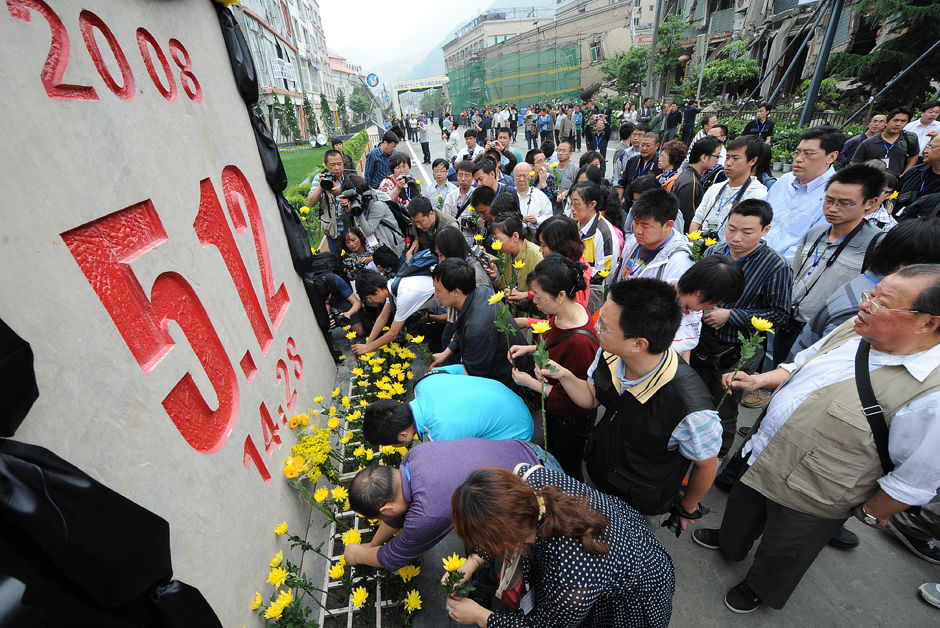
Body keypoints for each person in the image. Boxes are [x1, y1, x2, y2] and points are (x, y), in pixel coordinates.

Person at [693, 264, 940, 613]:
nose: (865, 305)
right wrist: (761, 380)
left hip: (820, 490)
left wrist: (870, 512)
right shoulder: (854, 331)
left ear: (927, 322)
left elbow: (916, 478)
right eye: (870, 294)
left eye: (882, 303)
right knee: (741, 510)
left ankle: (759, 587)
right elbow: (803, 363)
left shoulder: (932, 394)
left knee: (787, 549)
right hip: (767, 451)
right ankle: (731, 542)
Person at [546, 278, 721, 527]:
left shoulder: (691, 409)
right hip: (601, 471)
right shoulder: (609, 354)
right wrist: (563, 375)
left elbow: (706, 464)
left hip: (641, 500)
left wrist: (688, 506)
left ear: (639, 343)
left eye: (604, 326)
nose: (595, 327)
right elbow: (591, 397)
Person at [445, 465, 675, 627]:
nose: (480, 546)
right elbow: (506, 522)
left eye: (484, 543)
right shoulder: (529, 486)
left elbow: (544, 625)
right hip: (620, 539)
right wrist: (472, 562)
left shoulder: (570, 578)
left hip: (631, 596)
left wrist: (481, 616)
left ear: (506, 540)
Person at [344, 438, 542, 570]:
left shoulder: (426, 514)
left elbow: (394, 557)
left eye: (380, 517)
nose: (382, 521)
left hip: (540, 501)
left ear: (387, 509)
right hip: (528, 450)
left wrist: (358, 555)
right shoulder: (414, 456)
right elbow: (397, 515)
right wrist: (372, 544)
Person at [691, 200, 793, 455]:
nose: (736, 238)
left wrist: (732, 315)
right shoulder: (715, 251)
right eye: (731, 229)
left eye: (747, 232)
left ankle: (716, 453)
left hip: (736, 351)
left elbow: (779, 315)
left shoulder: (776, 266)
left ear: (765, 230)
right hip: (700, 341)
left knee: (723, 407)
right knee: (693, 399)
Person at [775, 164, 886, 364]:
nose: (833, 209)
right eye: (829, 200)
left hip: (829, 332)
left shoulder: (876, 245)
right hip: (790, 322)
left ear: (870, 203)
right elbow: (794, 274)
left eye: (845, 203)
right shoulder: (815, 233)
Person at [789, 217, 940, 357]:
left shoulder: (869, 285)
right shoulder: (868, 312)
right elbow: (824, 365)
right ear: (909, 268)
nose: (867, 304)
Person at [509, 255, 599, 479]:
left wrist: (528, 381)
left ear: (560, 295)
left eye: (539, 297)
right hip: (555, 407)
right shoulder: (563, 312)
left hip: (570, 418)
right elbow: (550, 331)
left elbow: (569, 398)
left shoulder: (580, 343)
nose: (535, 302)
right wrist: (529, 348)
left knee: (566, 465)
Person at [362, 366, 532, 445]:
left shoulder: (441, 435)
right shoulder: (423, 382)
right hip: (511, 398)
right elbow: (460, 369)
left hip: (517, 434)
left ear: (403, 435)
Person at [430, 258, 524, 386]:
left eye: (438, 290)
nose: (435, 294)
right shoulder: (479, 291)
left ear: (456, 292)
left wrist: (439, 374)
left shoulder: (478, 328)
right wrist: (445, 353)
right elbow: (461, 331)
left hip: (507, 383)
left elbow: (473, 375)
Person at [764, 125, 846, 261]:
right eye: (797, 152)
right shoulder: (785, 180)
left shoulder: (837, 195)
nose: (799, 159)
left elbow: (814, 247)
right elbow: (759, 216)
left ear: (831, 156)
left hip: (785, 269)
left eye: (808, 154)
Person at [690, 135, 768, 238]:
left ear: (752, 161)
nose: (728, 163)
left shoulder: (757, 195)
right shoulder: (715, 188)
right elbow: (696, 221)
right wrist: (695, 245)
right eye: (727, 157)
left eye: (735, 158)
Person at [673, 255, 746, 362]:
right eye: (715, 302)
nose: (713, 306)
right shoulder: (657, 308)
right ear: (700, 293)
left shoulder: (693, 309)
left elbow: (685, 345)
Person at [352, 268, 436, 357]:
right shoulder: (392, 286)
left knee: (446, 340)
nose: (371, 301)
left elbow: (393, 334)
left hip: (450, 299)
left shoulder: (402, 296)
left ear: (377, 291)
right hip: (445, 300)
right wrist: (367, 344)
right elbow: (382, 318)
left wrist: (368, 348)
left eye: (369, 298)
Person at [617, 188, 693, 284]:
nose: (637, 231)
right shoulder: (633, 241)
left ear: (668, 225)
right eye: (636, 222)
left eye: (645, 226)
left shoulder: (678, 261)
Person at [570, 181, 620, 295]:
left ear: (592, 204)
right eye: (571, 203)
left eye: (576, 204)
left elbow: (604, 274)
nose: (572, 208)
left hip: (593, 292)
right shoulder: (574, 224)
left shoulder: (604, 233)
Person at [488, 212, 544, 304]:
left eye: (499, 240)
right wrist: (496, 276)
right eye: (494, 240)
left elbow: (547, 294)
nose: (496, 244)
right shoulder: (506, 254)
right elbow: (506, 286)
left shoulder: (537, 256)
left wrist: (525, 295)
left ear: (515, 236)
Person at [345, 174, 407, 256]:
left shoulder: (377, 204)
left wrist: (357, 211)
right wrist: (343, 205)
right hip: (378, 249)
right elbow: (342, 215)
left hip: (393, 250)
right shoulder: (364, 202)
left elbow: (368, 231)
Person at [536, 216, 591, 308]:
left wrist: (527, 322)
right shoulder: (559, 265)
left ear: (561, 246)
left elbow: (568, 316)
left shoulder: (576, 273)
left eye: (544, 245)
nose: (540, 250)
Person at [850, 106, 919, 176]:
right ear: (887, 121)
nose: (898, 124)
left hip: (896, 182)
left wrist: (905, 173)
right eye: (895, 120)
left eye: (903, 121)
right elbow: (854, 163)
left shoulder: (909, 139)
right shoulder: (868, 143)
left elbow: (914, 155)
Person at [673, 136, 723, 231]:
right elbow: (687, 220)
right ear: (704, 157)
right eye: (716, 156)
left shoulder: (687, 175)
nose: (717, 160)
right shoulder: (691, 183)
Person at [306, 149, 350, 256]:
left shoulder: (348, 178)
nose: (337, 168)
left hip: (349, 230)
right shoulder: (319, 178)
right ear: (326, 165)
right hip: (332, 231)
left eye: (339, 164)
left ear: (343, 163)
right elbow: (311, 202)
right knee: (335, 259)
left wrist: (342, 192)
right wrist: (322, 186)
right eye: (332, 165)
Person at [895, 133, 940, 219]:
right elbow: (896, 194)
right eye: (927, 146)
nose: (924, 151)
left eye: (931, 147)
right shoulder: (915, 171)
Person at [617, 132, 661, 201]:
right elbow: (622, 182)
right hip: (628, 204)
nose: (644, 148)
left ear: (657, 146)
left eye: (648, 145)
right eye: (642, 145)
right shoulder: (633, 160)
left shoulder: (660, 164)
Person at [513, 163, 553, 231]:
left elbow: (549, 218)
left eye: (525, 176)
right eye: (518, 176)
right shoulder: (509, 193)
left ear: (532, 177)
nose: (521, 179)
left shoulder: (539, 195)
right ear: (513, 176)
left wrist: (536, 220)